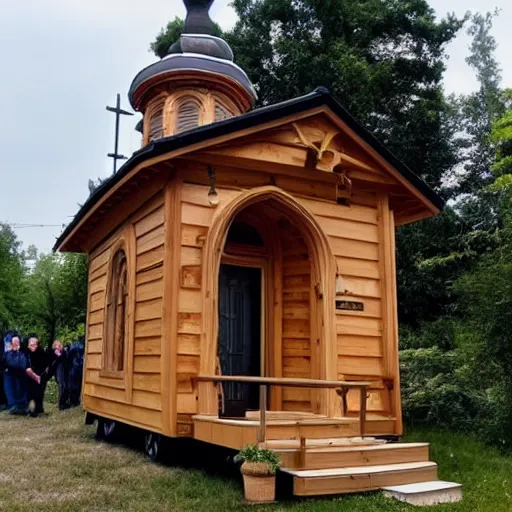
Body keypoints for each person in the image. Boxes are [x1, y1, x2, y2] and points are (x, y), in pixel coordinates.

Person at [3, 335, 36, 414]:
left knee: (22, 384)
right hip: (11, 376)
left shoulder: (24, 352)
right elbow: (13, 363)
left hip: (21, 376)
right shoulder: (8, 353)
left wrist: (19, 353)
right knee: (11, 384)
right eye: (14, 342)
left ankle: (22, 406)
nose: (16, 343)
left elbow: (24, 364)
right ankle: (14, 406)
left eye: (17, 341)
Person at [25, 336, 49, 417]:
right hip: (29, 376)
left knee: (39, 393)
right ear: (28, 344)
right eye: (32, 345)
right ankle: (28, 410)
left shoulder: (41, 352)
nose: (34, 346)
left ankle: (39, 410)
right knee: (29, 394)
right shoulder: (25, 352)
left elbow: (45, 363)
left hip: (40, 375)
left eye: (35, 344)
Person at [47, 340, 70, 410]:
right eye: (57, 345)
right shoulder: (54, 353)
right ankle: (60, 405)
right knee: (62, 386)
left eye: (60, 345)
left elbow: (66, 360)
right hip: (59, 372)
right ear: (54, 346)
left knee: (67, 387)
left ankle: (64, 402)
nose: (59, 346)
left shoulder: (64, 352)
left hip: (65, 371)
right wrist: (58, 355)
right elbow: (54, 363)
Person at [67, 337, 84, 407]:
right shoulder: (83, 346)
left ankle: (72, 401)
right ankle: (75, 401)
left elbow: (68, 357)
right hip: (80, 367)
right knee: (78, 384)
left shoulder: (73, 346)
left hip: (74, 367)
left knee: (73, 385)